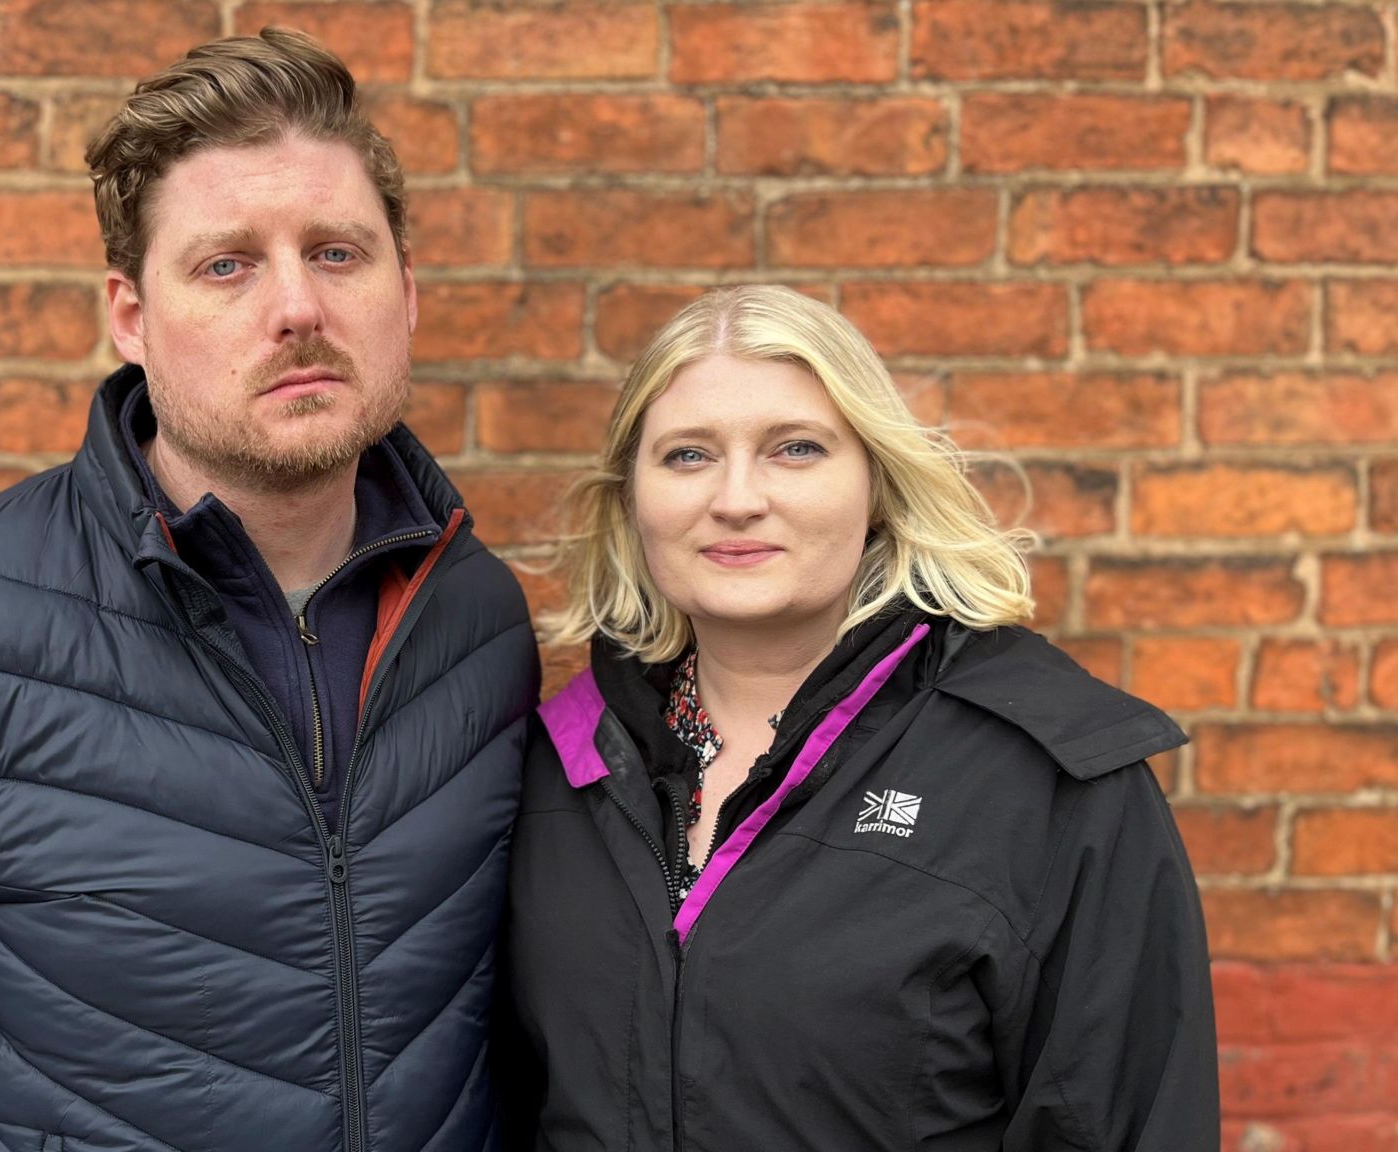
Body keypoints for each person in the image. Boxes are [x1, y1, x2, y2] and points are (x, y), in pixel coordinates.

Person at [0, 28, 539, 1152]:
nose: (296, 306)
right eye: (227, 264)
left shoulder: (473, 617)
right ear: (130, 317)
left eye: (337, 253)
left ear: (407, 293)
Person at [496, 286, 1217, 1150]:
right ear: (632, 501)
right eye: (687, 455)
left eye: (796, 449)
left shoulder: (1046, 782)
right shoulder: (548, 767)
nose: (736, 498)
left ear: (876, 483)